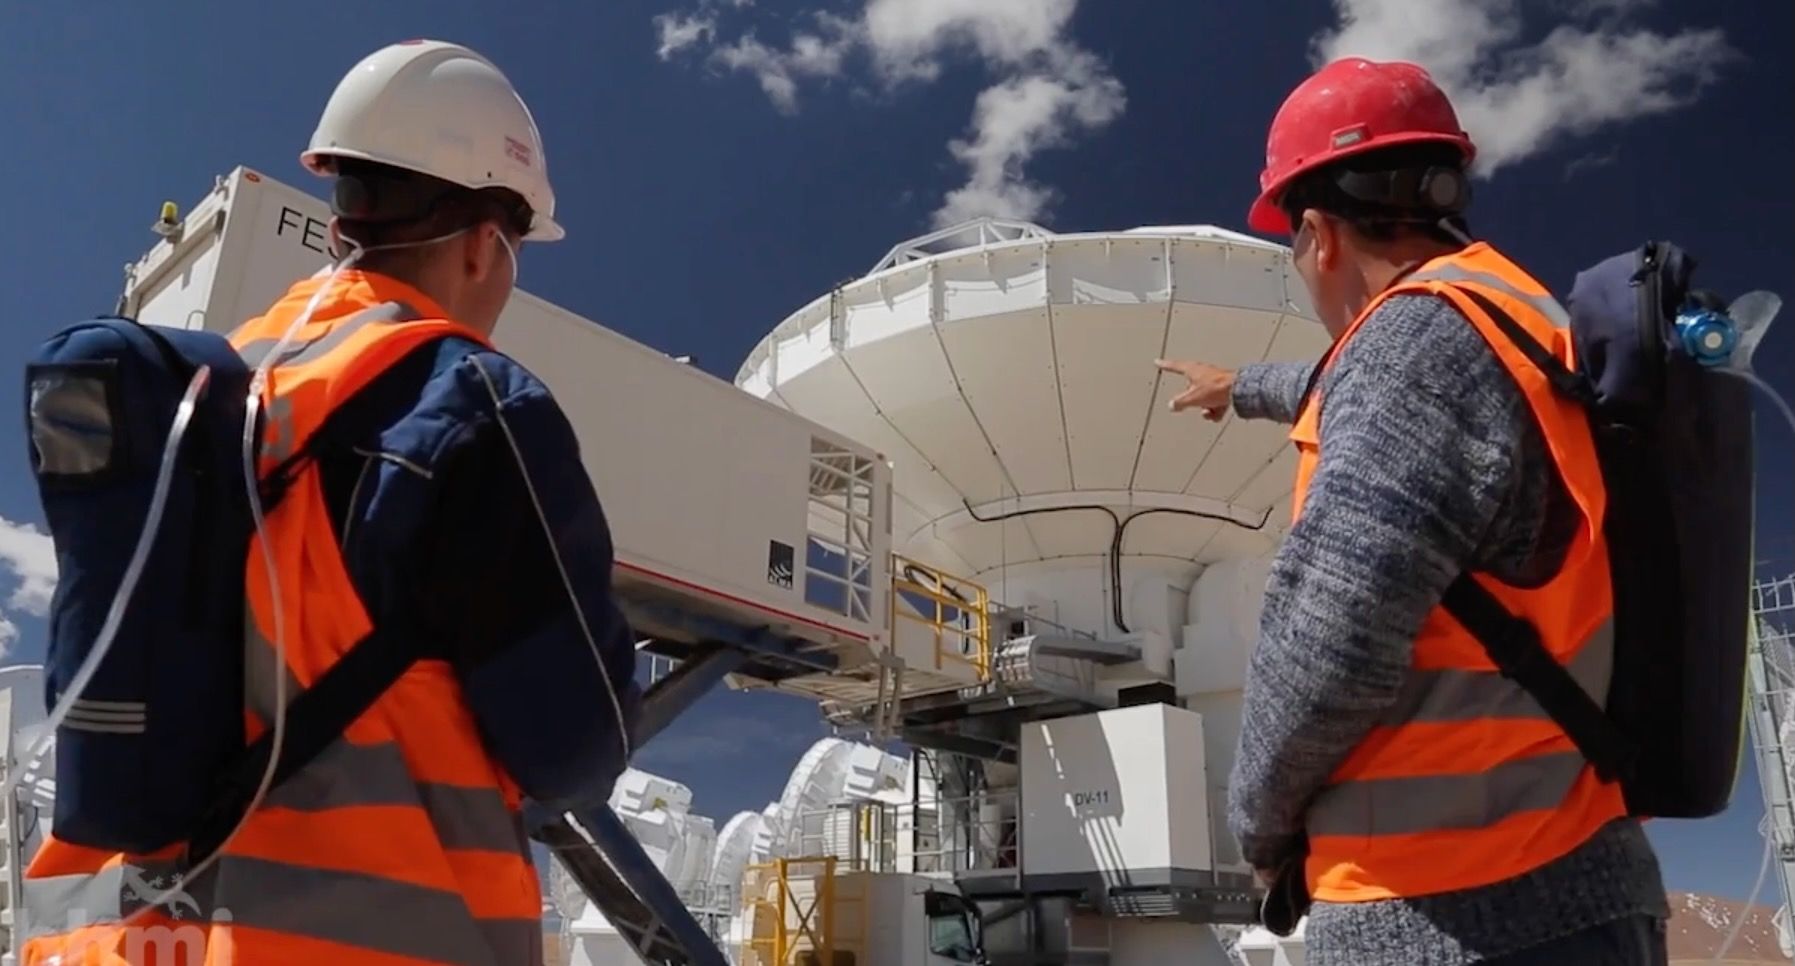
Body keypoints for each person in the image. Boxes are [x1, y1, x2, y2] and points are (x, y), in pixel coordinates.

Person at [18, 39, 642, 965]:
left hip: (127, 942)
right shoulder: (473, 402)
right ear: (484, 244)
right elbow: (575, 746)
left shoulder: (222, 390)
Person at [1156, 58, 1669, 964]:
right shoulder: (1509, 317)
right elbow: (1361, 389)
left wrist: (1261, 828)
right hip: (1570, 881)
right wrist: (1242, 387)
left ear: (1315, 234)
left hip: (1453, 910)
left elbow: (1330, 646)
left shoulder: (1408, 346)